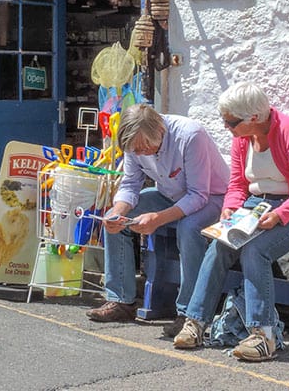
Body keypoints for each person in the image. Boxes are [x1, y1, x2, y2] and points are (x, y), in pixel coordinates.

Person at [173, 81, 289, 361]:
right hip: (255, 205)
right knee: (220, 246)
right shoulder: (242, 137)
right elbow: (237, 183)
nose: (228, 128)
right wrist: (229, 208)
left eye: (231, 122)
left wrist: (280, 214)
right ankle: (196, 321)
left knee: (255, 251)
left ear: (254, 117)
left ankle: (263, 336)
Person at [86, 104, 230, 326]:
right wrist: (118, 211)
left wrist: (158, 218)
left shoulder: (191, 135)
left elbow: (198, 194)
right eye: (135, 150)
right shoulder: (135, 142)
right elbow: (131, 184)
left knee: (189, 228)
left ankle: (189, 313)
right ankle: (121, 300)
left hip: (214, 198)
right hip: (169, 195)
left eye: (145, 147)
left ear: (160, 129)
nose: (140, 152)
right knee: (116, 222)